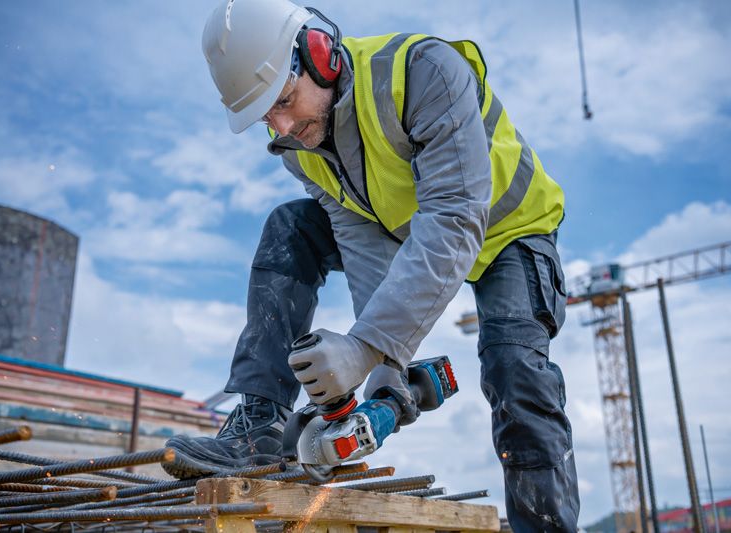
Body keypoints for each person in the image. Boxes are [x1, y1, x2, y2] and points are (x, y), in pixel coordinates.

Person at [165, 0, 580, 530]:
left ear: (320, 56)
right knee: (291, 228)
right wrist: (387, 366)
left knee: (515, 370)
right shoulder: (298, 143)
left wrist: (364, 347)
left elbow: (454, 217)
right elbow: (361, 234)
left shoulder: (423, 72)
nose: (282, 125)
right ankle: (259, 427)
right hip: (409, 229)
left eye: (285, 100)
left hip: (509, 228)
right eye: (267, 116)